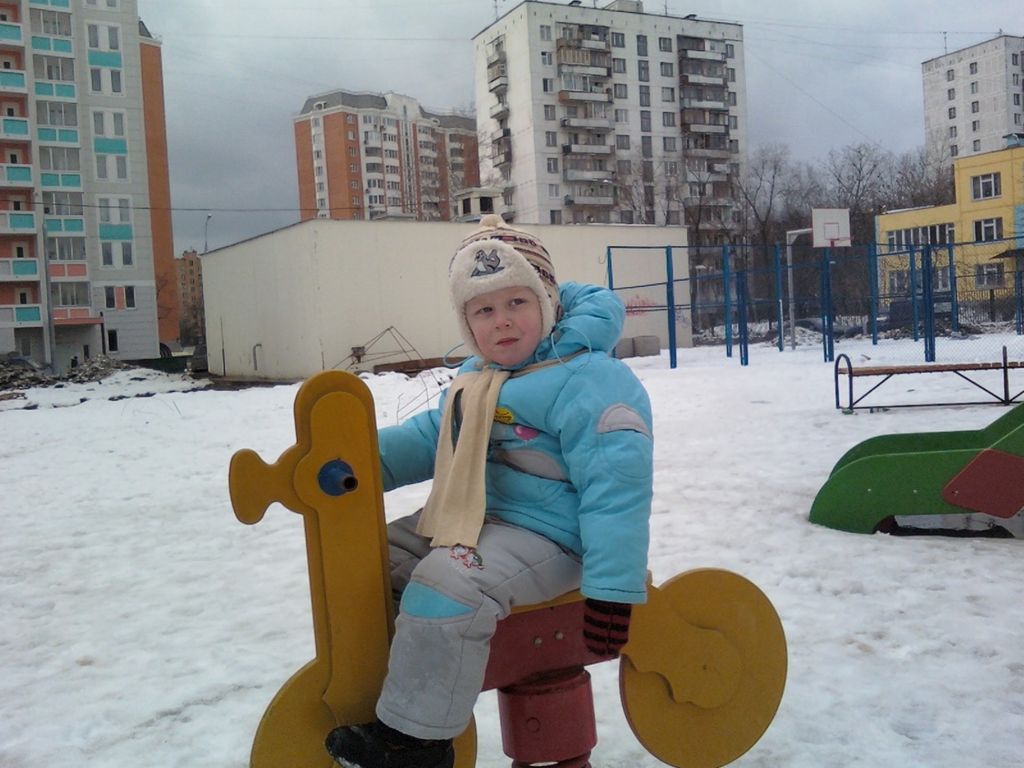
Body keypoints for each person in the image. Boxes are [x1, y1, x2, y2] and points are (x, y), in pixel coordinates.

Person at [326, 215, 654, 768]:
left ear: (547, 305)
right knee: (372, 556)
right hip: (482, 518)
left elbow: (617, 485)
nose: (501, 321)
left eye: (516, 303)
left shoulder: (586, 377)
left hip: (559, 537)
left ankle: (416, 744)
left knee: (447, 581)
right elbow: (432, 437)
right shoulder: (478, 379)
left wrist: (612, 588)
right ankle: (395, 685)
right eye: (483, 310)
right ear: (467, 323)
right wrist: (354, 464)